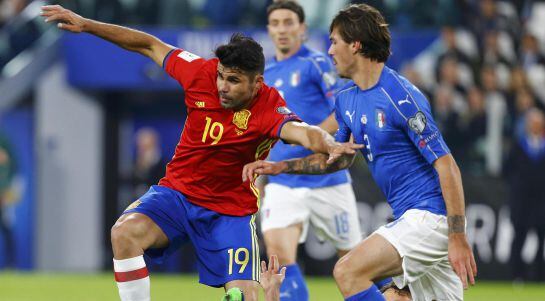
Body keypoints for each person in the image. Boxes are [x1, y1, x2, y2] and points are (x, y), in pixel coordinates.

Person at [41, 5, 361, 301]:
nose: (222, 86)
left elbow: (304, 132)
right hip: (177, 195)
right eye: (222, 75)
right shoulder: (199, 73)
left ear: (256, 83)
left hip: (229, 211)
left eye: (234, 81)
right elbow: (148, 44)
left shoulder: (268, 106)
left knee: (245, 295)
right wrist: (86, 25)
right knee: (123, 234)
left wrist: (329, 144)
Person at [243, 4, 477, 301]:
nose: (329, 51)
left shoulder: (400, 97)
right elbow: (338, 158)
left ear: (355, 45)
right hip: (409, 218)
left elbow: (447, 166)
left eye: (334, 42)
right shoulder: (347, 100)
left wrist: (457, 236)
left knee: (348, 271)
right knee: (394, 297)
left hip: (430, 217)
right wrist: (282, 168)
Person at [262, 1, 363, 300]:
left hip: (326, 178)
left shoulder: (317, 63)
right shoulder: (265, 73)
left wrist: (311, 135)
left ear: (302, 29)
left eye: (289, 22)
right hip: (282, 182)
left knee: (356, 264)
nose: (282, 29)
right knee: (279, 261)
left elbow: (343, 107)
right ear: (269, 30)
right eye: (276, 23)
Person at [506, 108, 545, 281]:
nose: (536, 126)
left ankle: (538, 276)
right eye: (533, 122)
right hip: (521, 202)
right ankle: (517, 275)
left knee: (541, 239)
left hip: (541, 202)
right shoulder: (518, 146)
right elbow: (505, 170)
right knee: (519, 237)